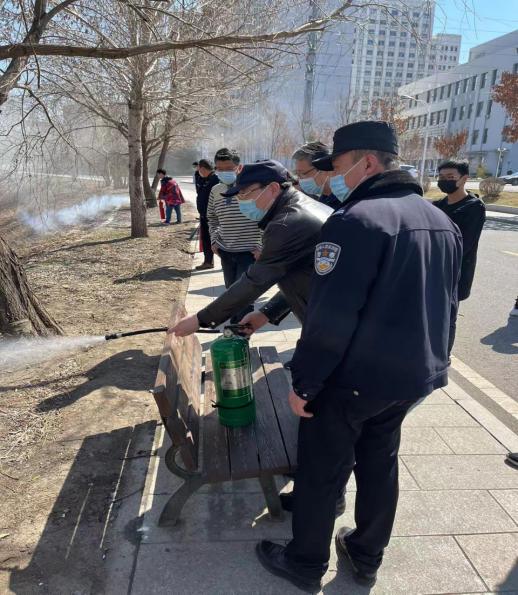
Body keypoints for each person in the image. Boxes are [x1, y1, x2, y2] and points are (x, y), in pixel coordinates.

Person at [255, 121, 463, 593]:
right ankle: (367, 555)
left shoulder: (354, 222)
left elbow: (331, 317)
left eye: (338, 166)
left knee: (321, 469)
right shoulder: (439, 219)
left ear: (367, 163)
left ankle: (305, 561)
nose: (331, 177)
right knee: (378, 464)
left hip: (353, 379)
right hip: (410, 375)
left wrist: (305, 383)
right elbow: (450, 303)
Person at [166, 159, 331, 339]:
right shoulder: (302, 206)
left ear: (273, 188)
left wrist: (200, 319)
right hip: (333, 314)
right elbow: (306, 280)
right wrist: (266, 313)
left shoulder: (286, 225)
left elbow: (256, 281)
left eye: (245, 194)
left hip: (332, 323)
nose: (241, 202)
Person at [433, 159, 486, 357]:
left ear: (464, 179)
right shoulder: (438, 205)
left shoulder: (474, 207)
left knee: (447, 318)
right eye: (441, 177)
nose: (444, 181)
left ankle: (443, 358)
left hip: (455, 272)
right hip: (433, 270)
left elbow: (464, 245)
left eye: (450, 177)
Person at [208, 148, 263, 324]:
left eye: (229, 168)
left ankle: (241, 333)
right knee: (231, 293)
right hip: (226, 251)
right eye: (220, 169)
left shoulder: (252, 188)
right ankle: (234, 329)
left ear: (239, 168)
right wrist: (214, 240)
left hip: (249, 252)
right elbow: (212, 217)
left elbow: (266, 217)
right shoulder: (216, 190)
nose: (224, 172)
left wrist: (260, 246)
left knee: (244, 294)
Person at [293, 142, 342, 210]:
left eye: (302, 173)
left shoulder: (343, 202)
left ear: (325, 169)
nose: (299, 179)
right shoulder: (323, 200)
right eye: (298, 174)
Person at [196, 158, 219, 270]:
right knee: (205, 239)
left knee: (217, 239)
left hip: (213, 216)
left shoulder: (215, 179)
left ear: (203, 169)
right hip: (204, 215)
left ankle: (226, 261)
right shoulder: (203, 179)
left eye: (199, 169)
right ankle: (208, 261)